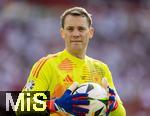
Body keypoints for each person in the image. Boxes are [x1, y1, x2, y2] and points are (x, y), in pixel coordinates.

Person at [20, 7, 126, 116]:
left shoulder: (102, 69)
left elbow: (121, 114)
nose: (76, 34)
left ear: (90, 32)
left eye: (81, 29)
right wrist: (55, 104)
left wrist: (114, 106)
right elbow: (21, 107)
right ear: (62, 33)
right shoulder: (47, 65)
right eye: (70, 29)